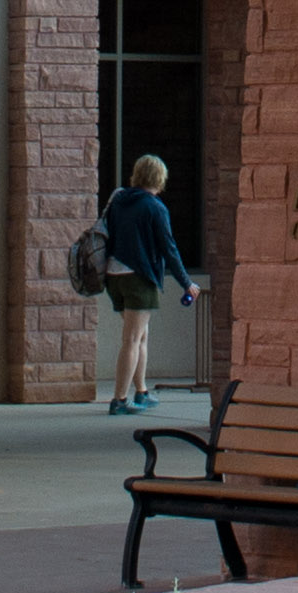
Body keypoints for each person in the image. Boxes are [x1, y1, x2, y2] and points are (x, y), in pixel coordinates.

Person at [90, 154, 201, 415]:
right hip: (139, 278)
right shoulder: (155, 208)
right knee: (131, 339)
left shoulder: (118, 200)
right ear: (159, 179)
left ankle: (141, 392)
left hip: (114, 277)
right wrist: (187, 283)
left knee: (141, 335)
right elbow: (169, 249)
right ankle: (119, 400)